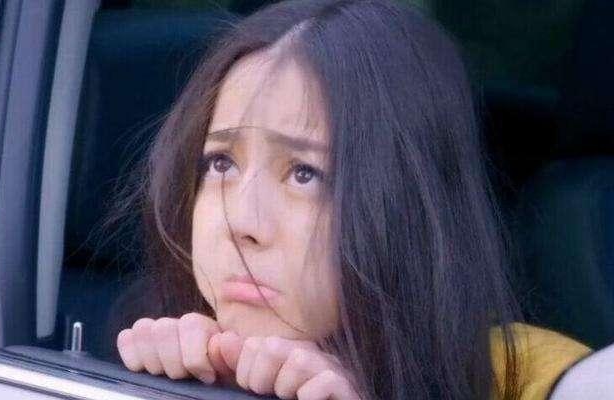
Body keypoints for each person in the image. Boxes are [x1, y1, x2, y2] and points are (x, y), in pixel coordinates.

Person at [106, 0, 592, 399]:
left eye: (304, 173)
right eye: (220, 164)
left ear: (406, 207)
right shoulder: (153, 351)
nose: (242, 224)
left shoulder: (529, 376)